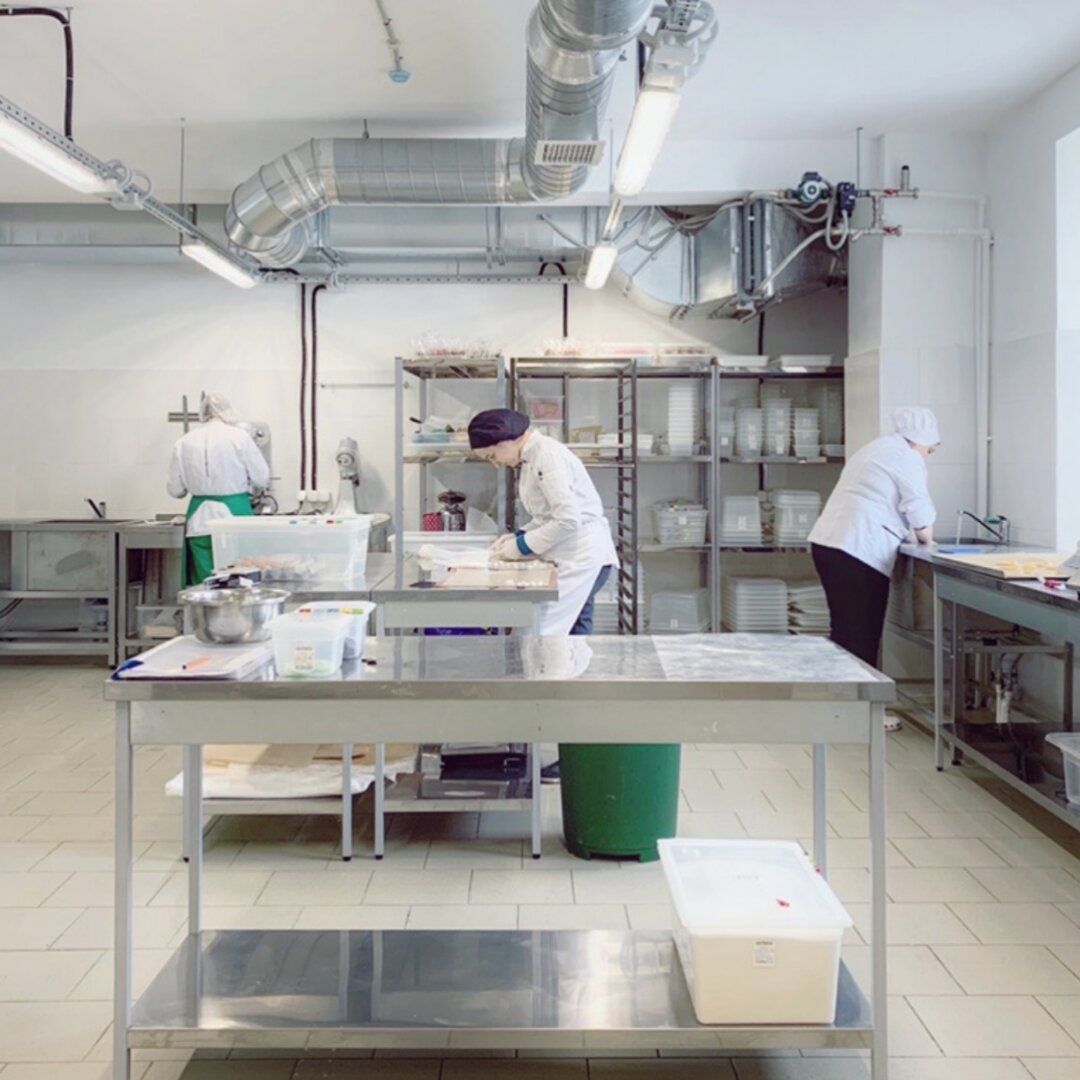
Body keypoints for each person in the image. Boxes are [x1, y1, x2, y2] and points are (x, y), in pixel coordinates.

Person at [470, 407, 618, 780]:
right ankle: (570, 747)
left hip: (582, 559)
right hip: (575, 557)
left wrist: (520, 549)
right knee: (568, 648)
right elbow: (548, 515)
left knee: (543, 642)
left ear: (507, 440)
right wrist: (518, 537)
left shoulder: (547, 456)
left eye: (492, 455)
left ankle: (564, 744)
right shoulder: (533, 457)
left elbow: (568, 519)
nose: (495, 464)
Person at [808, 405, 939, 694]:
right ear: (921, 441)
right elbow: (920, 515)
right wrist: (927, 536)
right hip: (857, 551)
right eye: (930, 450)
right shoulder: (906, 456)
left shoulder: (876, 448)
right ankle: (861, 705)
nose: (928, 456)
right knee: (862, 634)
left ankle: (841, 701)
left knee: (844, 632)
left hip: (829, 544)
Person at [167, 392, 270, 587]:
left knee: (205, 585)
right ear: (227, 411)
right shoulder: (239, 437)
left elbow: (175, 490)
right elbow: (262, 478)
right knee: (238, 581)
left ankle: (207, 607)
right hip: (236, 520)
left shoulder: (184, 442)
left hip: (199, 523)